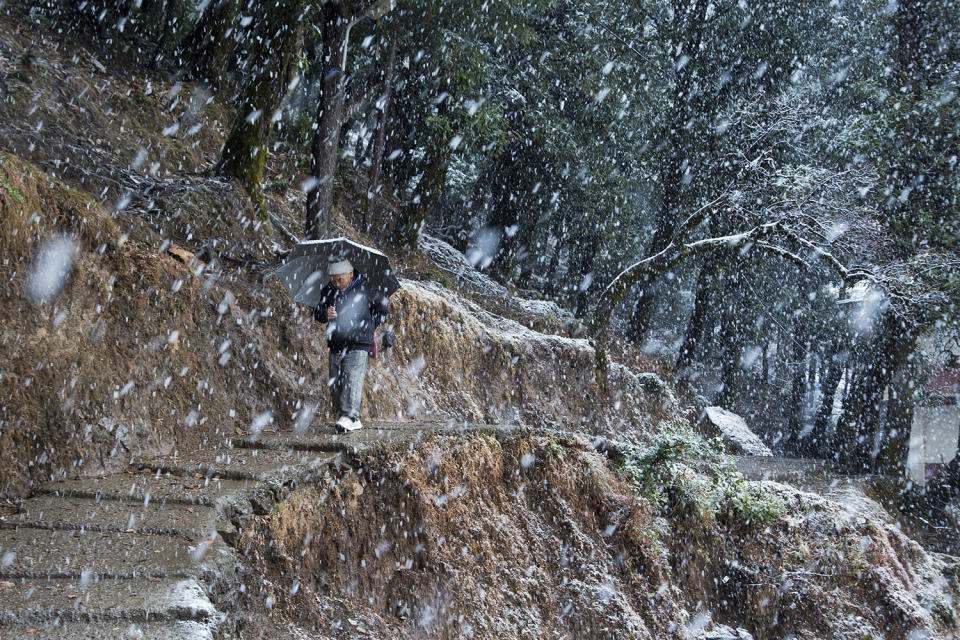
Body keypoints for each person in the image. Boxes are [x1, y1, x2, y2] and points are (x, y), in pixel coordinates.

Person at [314, 258, 388, 432]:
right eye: (334, 279)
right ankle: (351, 418)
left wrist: (369, 326)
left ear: (350, 274)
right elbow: (317, 314)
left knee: (351, 377)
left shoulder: (366, 288)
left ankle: (349, 416)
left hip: (359, 342)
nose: (337, 283)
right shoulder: (329, 290)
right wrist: (325, 313)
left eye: (340, 279)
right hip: (336, 341)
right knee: (335, 382)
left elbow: (383, 309)